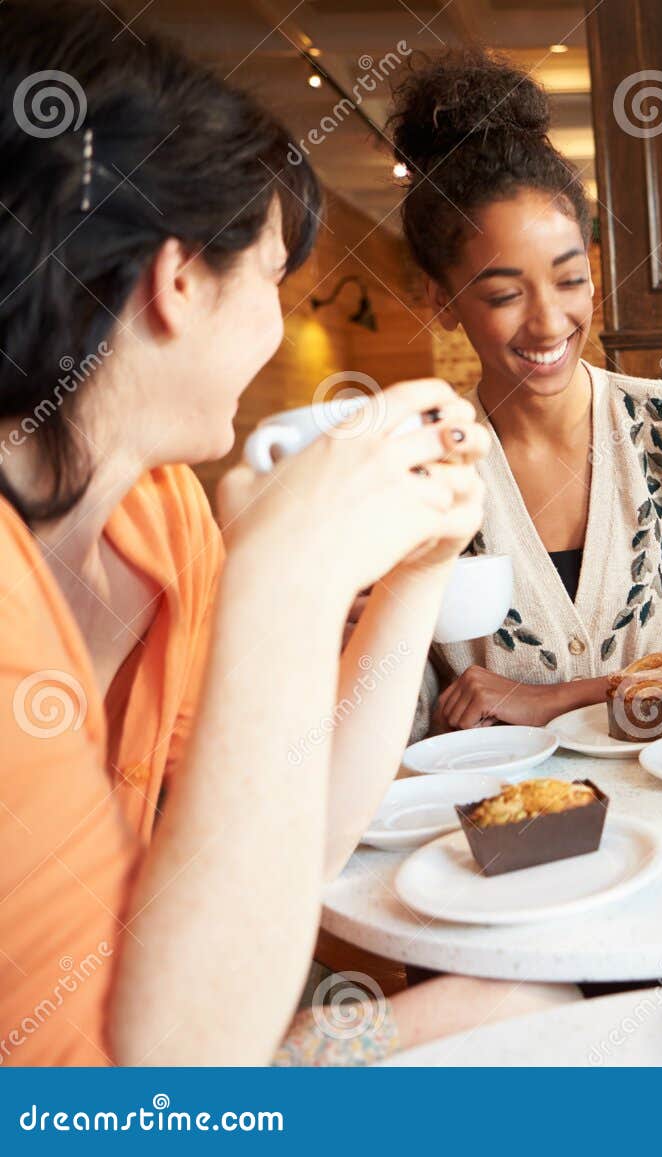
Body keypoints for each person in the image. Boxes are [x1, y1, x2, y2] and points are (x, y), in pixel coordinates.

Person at [0, 1, 572, 1066]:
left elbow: (291, 840)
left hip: (169, 1032)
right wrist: (286, 577)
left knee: (524, 1002)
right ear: (177, 281)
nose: (275, 318)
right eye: (270, 278)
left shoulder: (152, 516)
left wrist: (416, 568)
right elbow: (167, 1076)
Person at [384, 52, 662, 738]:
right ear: (439, 299)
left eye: (570, 279)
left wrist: (562, 696)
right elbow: (407, 715)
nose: (548, 322)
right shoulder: (416, 471)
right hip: (509, 831)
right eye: (505, 294)